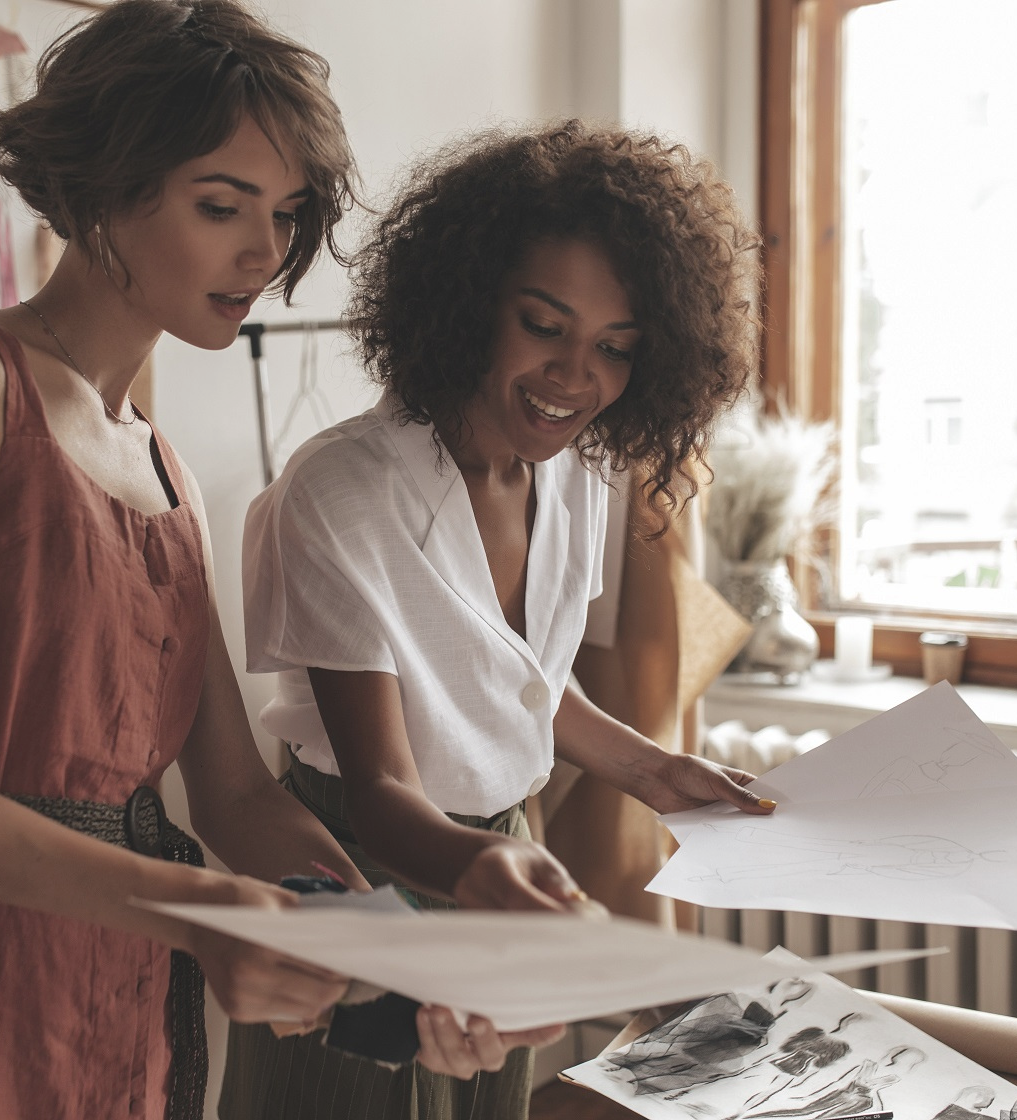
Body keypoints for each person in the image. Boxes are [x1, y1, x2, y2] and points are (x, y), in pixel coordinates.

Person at [0, 4, 374, 1117]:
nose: (264, 251)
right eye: (219, 204)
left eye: (285, 213)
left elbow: (233, 791)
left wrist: (388, 944)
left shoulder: (167, 465)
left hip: (113, 989)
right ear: (101, 187)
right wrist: (195, 911)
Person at [225, 121, 772, 1119]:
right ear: (470, 297)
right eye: (544, 324)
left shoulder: (574, 478)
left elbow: (509, 679)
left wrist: (654, 771)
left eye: (615, 347)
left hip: (508, 854)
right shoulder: (342, 493)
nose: (576, 376)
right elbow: (386, 788)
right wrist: (493, 866)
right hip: (364, 863)